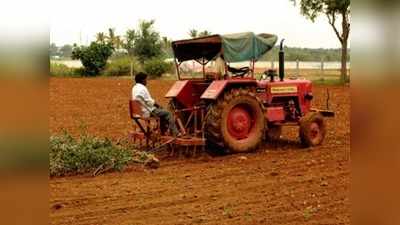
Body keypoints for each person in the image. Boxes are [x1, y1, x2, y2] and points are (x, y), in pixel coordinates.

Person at [131, 72, 180, 137]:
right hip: (147, 111)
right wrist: (158, 105)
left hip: (139, 111)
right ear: (142, 80)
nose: (146, 81)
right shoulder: (142, 88)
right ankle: (176, 133)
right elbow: (149, 102)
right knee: (168, 113)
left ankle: (163, 132)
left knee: (162, 113)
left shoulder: (134, 88)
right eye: (146, 80)